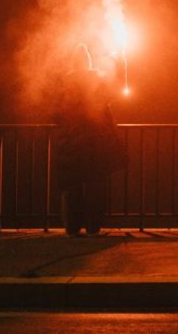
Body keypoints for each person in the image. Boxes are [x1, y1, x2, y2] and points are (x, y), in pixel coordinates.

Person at [52, 44, 125, 236]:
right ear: (88, 61)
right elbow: (112, 98)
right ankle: (94, 226)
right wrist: (120, 65)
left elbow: (55, 113)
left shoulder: (64, 86)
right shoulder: (98, 82)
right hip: (95, 142)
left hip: (70, 143)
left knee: (71, 186)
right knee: (96, 186)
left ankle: (72, 226)